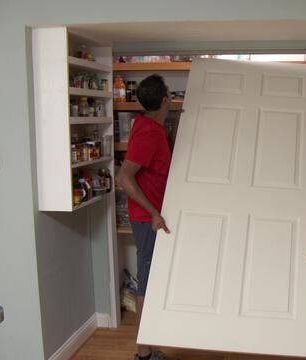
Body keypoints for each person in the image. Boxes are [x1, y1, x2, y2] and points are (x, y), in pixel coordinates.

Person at [118, 74, 172, 360]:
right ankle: (143, 354)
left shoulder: (150, 124)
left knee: (154, 281)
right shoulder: (149, 132)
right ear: (165, 99)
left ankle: (149, 347)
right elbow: (124, 177)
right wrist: (153, 212)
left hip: (154, 217)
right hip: (147, 219)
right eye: (169, 94)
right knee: (147, 282)